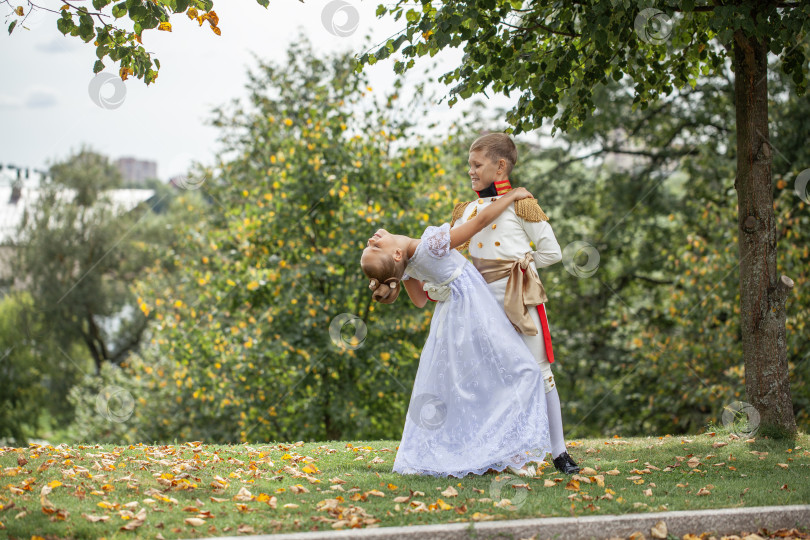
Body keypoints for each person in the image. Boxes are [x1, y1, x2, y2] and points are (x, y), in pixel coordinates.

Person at [360, 187, 551, 478]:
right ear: (396, 254)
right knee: (522, 371)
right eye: (374, 247)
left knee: (474, 384)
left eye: (370, 245)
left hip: (449, 323)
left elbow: (420, 300)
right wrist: (510, 198)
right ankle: (510, 451)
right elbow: (477, 224)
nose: (372, 240)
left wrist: (423, 279)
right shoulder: (431, 245)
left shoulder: (408, 265)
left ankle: (494, 449)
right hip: (475, 312)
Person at [450, 132, 580, 474]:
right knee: (490, 377)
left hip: (519, 299)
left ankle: (559, 451)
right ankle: (498, 451)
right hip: (480, 305)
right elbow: (450, 256)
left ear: (500, 166)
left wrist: (524, 262)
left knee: (541, 374)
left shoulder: (523, 205)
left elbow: (552, 253)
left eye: (477, 165)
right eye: (470, 165)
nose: (471, 171)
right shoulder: (466, 211)